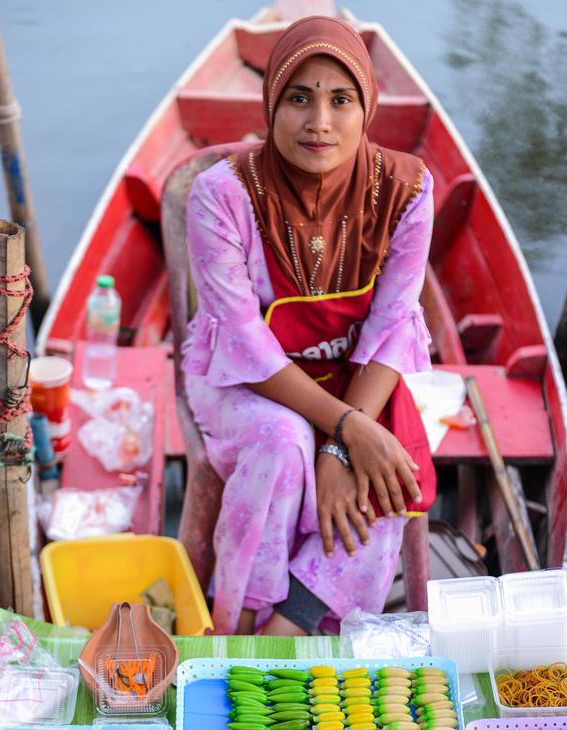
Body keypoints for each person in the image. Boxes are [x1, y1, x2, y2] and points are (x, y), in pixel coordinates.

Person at [183, 15, 436, 636]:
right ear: (272, 104)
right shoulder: (221, 196)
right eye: (299, 98)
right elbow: (243, 342)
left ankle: (293, 626)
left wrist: (344, 443)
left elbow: (392, 325)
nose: (319, 122)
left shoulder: (409, 192)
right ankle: (236, 617)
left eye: (340, 100)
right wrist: (343, 428)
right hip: (239, 381)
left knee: (385, 469)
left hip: (357, 374)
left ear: (366, 108)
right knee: (280, 444)